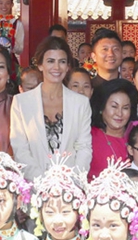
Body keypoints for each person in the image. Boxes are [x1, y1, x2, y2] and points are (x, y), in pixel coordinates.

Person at [10, 36, 92, 182]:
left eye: (62, 62)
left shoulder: (81, 103)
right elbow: (20, 149)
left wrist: (72, 183)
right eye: (50, 61)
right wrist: (43, 183)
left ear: (68, 66)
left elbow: (84, 147)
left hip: (71, 188)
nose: (56, 67)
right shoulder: (21, 102)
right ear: (40, 65)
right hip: (34, 186)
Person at [89, 79, 138, 178]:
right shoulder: (88, 136)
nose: (119, 114)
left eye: (125, 108)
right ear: (101, 108)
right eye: (114, 106)